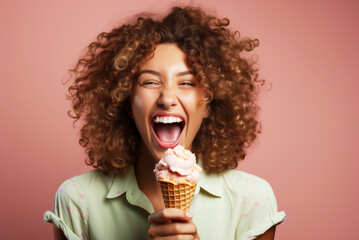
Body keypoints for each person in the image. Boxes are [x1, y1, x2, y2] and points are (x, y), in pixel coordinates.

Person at [44, 6, 285, 240]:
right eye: (150, 82)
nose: (167, 99)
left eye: (187, 83)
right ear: (127, 101)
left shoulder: (251, 200)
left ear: (209, 104)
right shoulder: (78, 200)